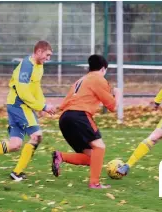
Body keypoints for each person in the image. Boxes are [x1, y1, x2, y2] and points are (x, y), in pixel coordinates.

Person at [0, 40, 56, 181]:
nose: (48, 58)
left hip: (19, 105)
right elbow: (23, 92)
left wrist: (42, 104)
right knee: (37, 136)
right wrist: (42, 107)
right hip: (19, 105)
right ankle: (17, 172)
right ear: (39, 51)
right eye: (47, 55)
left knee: (15, 144)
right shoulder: (27, 66)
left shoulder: (39, 66)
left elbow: (36, 87)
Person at [51, 54, 120, 189]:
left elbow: (65, 103)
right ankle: (94, 183)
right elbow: (112, 107)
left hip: (65, 119)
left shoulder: (80, 81)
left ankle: (60, 156)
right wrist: (117, 93)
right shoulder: (98, 79)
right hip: (80, 116)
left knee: (92, 157)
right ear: (103, 69)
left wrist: (50, 111)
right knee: (100, 147)